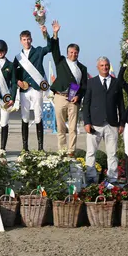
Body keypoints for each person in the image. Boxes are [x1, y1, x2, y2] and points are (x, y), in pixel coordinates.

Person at [81, 58, 126, 183]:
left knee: (112, 153)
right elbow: (86, 104)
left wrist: (122, 123)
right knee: (91, 152)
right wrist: (87, 122)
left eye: (106, 65)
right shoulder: (91, 82)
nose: (104, 67)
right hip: (95, 124)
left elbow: (121, 104)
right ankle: (91, 177)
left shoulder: (116, 83)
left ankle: (112, 178)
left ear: (109, 66)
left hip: (112, 124)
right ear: (97, 67)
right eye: (102, 65)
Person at [49, 20, 87, 155]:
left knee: (72, 128)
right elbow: (54, 50)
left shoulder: (82, 68)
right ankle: (62, 150)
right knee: (60, 127)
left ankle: (71, 150)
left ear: (78, 53)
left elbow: (84, 86)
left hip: (74, 99)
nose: (73, 54)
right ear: (67, 53)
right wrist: (55, 33)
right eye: (71, 52)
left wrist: (79, 96)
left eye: (75, 53)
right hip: (60, 97)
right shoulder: (60, 62)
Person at [13, 26, 53, 151]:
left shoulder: (39, 51)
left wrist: (46, 34)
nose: (27, 42)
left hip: (37, 88)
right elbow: (14, 73)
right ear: (21, 41)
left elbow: (50, 47)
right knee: (24, 117)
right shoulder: (18, 57)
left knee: (38, 116)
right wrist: (17, 81)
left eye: (28, 39)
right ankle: (25, 147)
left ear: (32, 40)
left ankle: (40, 148)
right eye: (24, 40)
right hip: (24, 90)